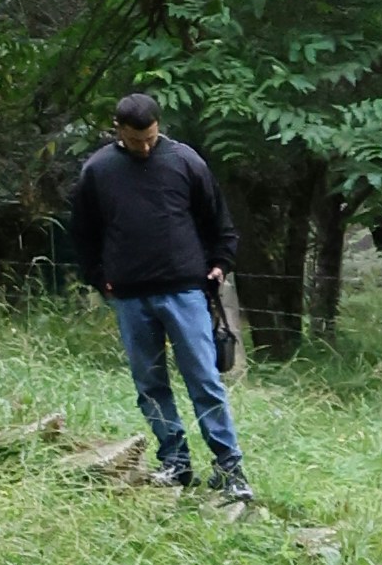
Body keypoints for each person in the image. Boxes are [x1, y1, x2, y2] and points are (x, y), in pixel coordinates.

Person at [64, 88, 251, 496]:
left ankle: (230, 469)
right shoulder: (98, 170)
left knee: (204, 380)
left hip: (185, 290)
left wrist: (221, 262)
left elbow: (218, 219)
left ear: (158, 127)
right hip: (130, 295)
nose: (145, 147)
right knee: (150, 384)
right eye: (136, 141)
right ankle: (175, 463)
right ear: (119, 131)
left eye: (150, 138)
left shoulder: (186, 161)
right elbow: (83, 233)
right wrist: (99, 276)